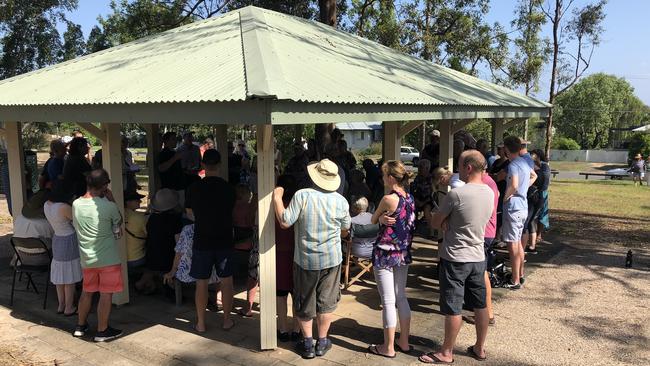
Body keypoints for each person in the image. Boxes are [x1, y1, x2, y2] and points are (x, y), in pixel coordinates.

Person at [273, 158, 351, 359]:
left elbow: (284, 221)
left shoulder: (302, 195)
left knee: (305, 301)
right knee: (326, 302)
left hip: (306, 260)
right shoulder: (341, 201)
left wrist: (276, 197)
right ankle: (322, 341)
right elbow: (345, 229)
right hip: (332, 259)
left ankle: (308, 343)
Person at [421, 150, 494, 363]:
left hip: (455, 257)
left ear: (468, 168)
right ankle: (479, 348)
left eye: (460, 166)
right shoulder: (489, 192)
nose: (457, 171)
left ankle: (446, 352)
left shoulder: (456, 194)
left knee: (453, 306)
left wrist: (445, 221)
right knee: (480, 305)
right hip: (478, 256)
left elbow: (435, 222)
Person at [366, 160, 415, 359]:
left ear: (391, 178)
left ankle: (388, 347)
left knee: (388, 300)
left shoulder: (388, 199)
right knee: (400, 296)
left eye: (384, 175)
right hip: (403, 253)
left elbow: (372, 219)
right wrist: (385, 219)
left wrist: (381, 218)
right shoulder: (410, 198)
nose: (383, 178)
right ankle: (404, 340)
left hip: (385, 254)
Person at [186, 149, 236, 332]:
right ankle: (227, 320)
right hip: (224, 238)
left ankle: (200, 323)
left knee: (201, 283)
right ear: (220, 164)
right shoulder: (228, 188)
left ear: (203, 165)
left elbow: (190, 213)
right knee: (226, 281)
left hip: (202, 238)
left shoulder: (193, 188)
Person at [72, 169, 124, 342]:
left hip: (87, 258)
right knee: (105, 294)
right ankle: (102, 330)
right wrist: (112, 199)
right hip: (108, 257)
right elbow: (119, 221)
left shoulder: (76, 204)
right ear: (104, 186)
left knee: (87, 292)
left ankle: (80, 325)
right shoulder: (108, 206)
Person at [502, 136, 536, 289]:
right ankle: (520, 274)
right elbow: (533, 175)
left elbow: (514, 184)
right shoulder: (524, 162)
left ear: (507, 149)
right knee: (519, 244)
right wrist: (525, 187)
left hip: (513, 206)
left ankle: (514, 280)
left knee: (513, 245)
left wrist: (505, 197)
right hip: (523, 206)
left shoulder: (513, 164)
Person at [43, 182, 82, 316]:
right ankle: (69, 307)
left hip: (57, 238)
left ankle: (61, 305)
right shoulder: (64, 207)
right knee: (69, 278)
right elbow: (77, 221)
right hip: (68, 239)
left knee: (60, 277)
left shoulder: (46, 205)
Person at [138, 189, 183, 295]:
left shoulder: (152, 218)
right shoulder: (174, 220)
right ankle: (170, 287)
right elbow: (179, 243)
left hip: (151, 256)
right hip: (168, 258)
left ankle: (143, 283)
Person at [274, 175, 301, 342]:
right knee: (297, 293)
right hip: (298, 252)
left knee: (280, 293)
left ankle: (283, 328)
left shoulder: (273, 205)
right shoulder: (299, 203)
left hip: (278, 253)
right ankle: (297, 329)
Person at [163, 212, 219, 286]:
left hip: (187, 274)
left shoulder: (187, 229)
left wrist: (173, 270)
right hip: (211, 274)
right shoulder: (217, 230)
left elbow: (179, 252)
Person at [232, 184, 258, 317]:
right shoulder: (249, 206)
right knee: (254, 273)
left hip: (236, 240)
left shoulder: (232, 206)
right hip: (248, 241)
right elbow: (250, 221)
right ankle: (249, 305)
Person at [524, 150, 551, 254]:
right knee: (532, 220)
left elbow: (541, 181)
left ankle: (532, 246)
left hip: (538, 196)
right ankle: (532, 245)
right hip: (539, 195)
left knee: (531, 220)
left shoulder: (542, 169)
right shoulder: (544, 168)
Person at [124, 191, 148, 270]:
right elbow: (149, 235)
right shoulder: (139, 218)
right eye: (137, 200)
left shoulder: (119, 213)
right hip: (137, 258)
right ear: (128, 202)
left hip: (122, 258)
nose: (140, 201)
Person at [411, 159, 434, 234]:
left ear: (427, 169)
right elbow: (414, 190)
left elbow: (432, 194)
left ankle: (431, 231)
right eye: (419, 167)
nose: (419, 169)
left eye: (421, 167)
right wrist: (416, 200)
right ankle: (414, 228)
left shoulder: (431, 179)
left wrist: (422, 202)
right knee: (411, 208)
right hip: (418, 199)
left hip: (429, 200)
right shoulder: (418, 177)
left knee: (427, 211)